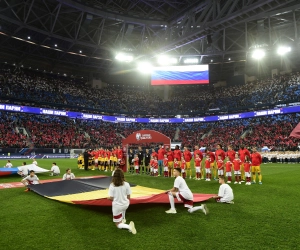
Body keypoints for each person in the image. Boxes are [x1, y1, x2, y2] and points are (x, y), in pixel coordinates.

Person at [107, 169, 136, 234]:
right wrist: (125, 201)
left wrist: (107, 198)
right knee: (123, 207)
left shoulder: (112, 185)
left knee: (118, 225)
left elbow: (111, 198)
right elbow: (128, 197)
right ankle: (123, 218)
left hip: (117, 207)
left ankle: (129, 227)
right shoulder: (127, 184)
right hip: (126, 204)